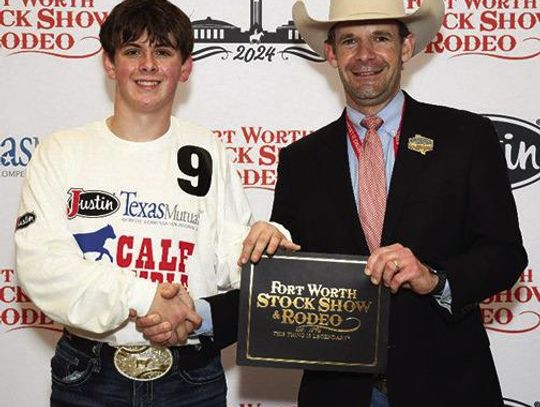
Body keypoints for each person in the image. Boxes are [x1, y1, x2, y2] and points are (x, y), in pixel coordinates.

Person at [14, 0, 299, 406]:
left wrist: (268, 240)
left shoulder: (208, 150)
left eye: (162, 52)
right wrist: (142, 296)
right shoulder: (60, 152)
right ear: (110, 64)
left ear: (185, 68)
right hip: (90, 377)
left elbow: (228, 256)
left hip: (191, 378)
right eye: (133, 51)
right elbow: (42, 266)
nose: (148, 65)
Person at [270, 0, 528, 406]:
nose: (365, 55)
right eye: (350, 41)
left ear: (406, 47)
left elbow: (506, 254)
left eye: (381, 38)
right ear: (331, 53)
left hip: (447, 387)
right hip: (337, 395)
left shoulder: (466, 137)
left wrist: (436, 278)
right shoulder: (301, 160)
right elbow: (286, 273)